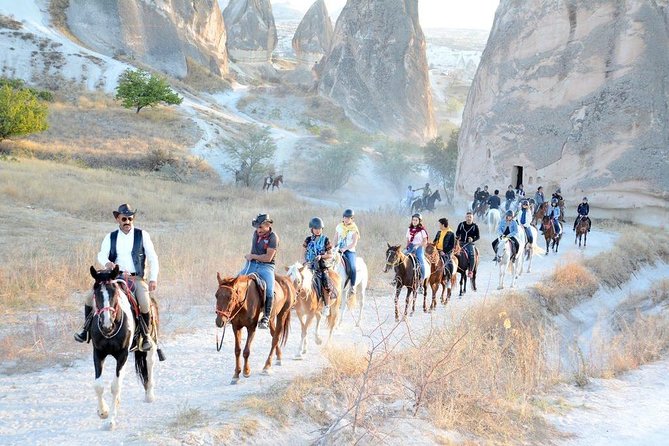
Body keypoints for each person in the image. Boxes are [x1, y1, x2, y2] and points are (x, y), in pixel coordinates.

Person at [74, 204, 159, 352]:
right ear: (117, 219)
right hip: (115, 277)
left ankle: (145, 336)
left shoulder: (142, 235)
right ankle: (86, 330)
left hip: (136, 279)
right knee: (89, 297)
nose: (127, 222)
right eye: (124, 219)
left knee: (145, 303)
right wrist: (106, 263)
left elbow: (153, 257)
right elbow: (101, 254)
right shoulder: (111, 236)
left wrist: (153, 278)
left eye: (130, 218)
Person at [240, 213, 278, 329]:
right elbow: (254, 251)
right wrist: (251, 258)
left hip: (266, 266)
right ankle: (233, 310)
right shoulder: (256, 234)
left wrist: (252, 256)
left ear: (267, 225)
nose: (258, 229)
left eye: (260, 227)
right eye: (256, 227)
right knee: (237, 282)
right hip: (252, 264)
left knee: (270, 289)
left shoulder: (273, 237)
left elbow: (268, 258)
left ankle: (266, 317)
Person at [302, 217, 335, 317]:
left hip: (321, 266)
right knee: (298, 280)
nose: (318, 230)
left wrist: (321, 256)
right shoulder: (308, 240)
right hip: (309, 266)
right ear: (312, 229)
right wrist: (304, 262)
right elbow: (303, 252)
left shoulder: (326, 240)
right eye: (316, 228)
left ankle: (327, 306)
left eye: (320, 228)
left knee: (325, 282)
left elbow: (330, 254)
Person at [334, 209, 360, 295]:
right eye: (345, 217)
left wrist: (345, 248)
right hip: (338, 249)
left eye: (349, 218)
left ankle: (352, 286)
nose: (346, 219)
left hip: (349, 251)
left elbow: (354, 243)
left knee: (352, 267)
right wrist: (334, 247)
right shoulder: (339, 227)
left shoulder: (354, 229)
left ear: (352, 219)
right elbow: (335, 238)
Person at [405, 213, 429, 293]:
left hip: (419, 247)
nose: (414, 221)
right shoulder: (409, 229)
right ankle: (397, 277)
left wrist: (418, 245)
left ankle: (422, 281)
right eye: (413, 220)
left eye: (416, 220)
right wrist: (407, 246)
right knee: (401, 258)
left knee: (421, 261)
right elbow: (408, 240)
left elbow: (425, 241)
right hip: (411, 246)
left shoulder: (422, 230)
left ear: (419, 221)